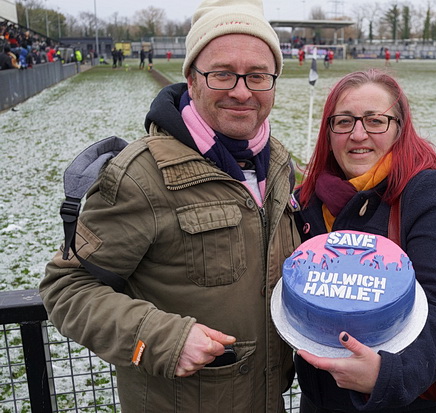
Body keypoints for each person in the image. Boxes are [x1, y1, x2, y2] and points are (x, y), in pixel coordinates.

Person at [39, 0, 300, 411]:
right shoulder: (141, 176)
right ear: (192, 79)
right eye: (222, 74)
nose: (241, 90)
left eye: (258, 76)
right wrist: (162, 340)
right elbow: (67, 288)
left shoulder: (280, 164)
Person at [292, 69, 436, 412]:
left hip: (399, 401)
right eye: (344, 121)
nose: (358, 134)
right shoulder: (308, 199)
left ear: (399, 128)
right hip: (319, 401)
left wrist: (388, 375)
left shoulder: (424, 192)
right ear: (329, 130)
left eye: (375, 121)